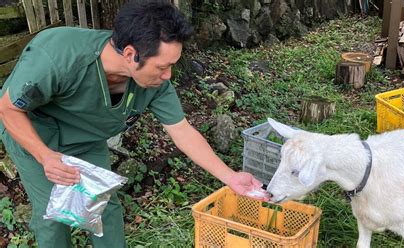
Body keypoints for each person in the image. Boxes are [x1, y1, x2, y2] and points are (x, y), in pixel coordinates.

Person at [0, 0, 269, 247]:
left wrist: (231, 177)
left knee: (104, 205)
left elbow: (183, 132)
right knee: (54, 214)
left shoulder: (153, 84)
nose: (168, 75)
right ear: (130, 54)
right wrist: (46, 157)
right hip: (35, 131)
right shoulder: (59, 55)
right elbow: (9, 109)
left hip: (85, 138)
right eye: (163, 66)